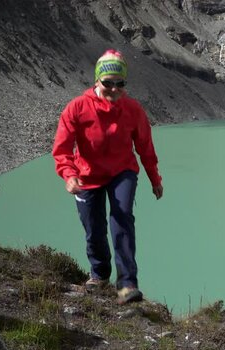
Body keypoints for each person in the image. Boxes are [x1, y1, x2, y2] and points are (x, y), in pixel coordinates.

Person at [52, 49, 163, 305]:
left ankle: (127, 284)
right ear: (97, 80)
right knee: (94, 227)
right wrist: (68, 175)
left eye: (120, 84)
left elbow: (145, 147)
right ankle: (99, 275)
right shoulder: (77, 108)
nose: (114, 89)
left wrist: (154, 178)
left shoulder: (133, 109)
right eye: (108, 83)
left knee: (122, 217)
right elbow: (62, 148)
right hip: (86, 175)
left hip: (122, 172)